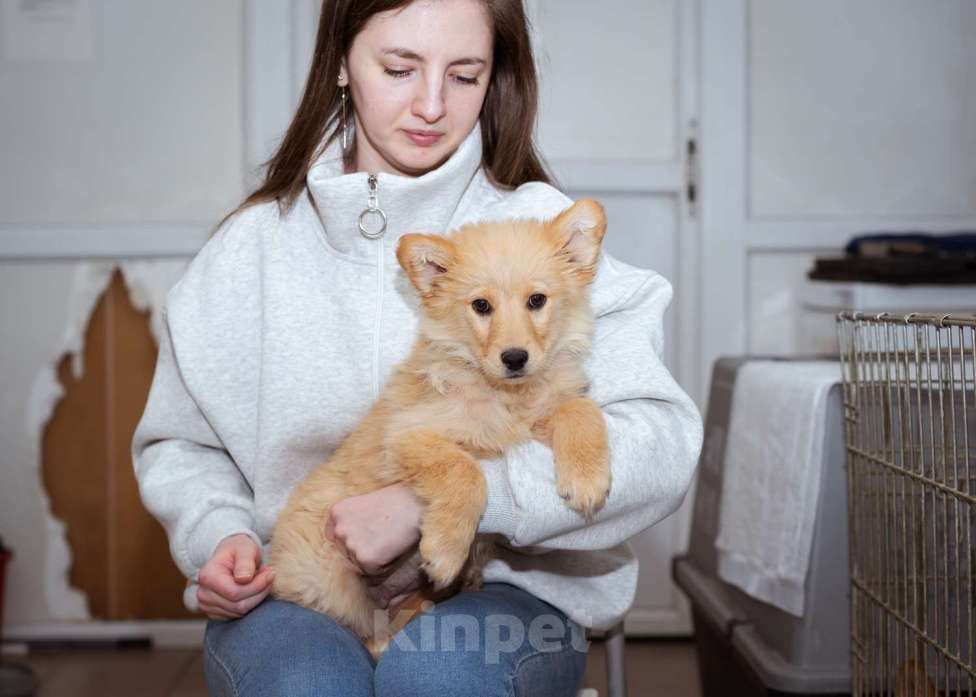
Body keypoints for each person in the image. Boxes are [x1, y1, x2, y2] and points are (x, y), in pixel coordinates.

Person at [131, 0, 704, 695]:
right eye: (400, 68)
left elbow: (664, 441)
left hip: (517, 585)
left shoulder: (538, 231)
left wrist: (471, 497)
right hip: (307, 575)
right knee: (305, 684)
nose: (431, 106)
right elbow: (180, 443)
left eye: (465, 76)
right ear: (341, 62)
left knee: (440, 674)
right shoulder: (249, 251)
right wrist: (219, 535)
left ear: (496, 78)